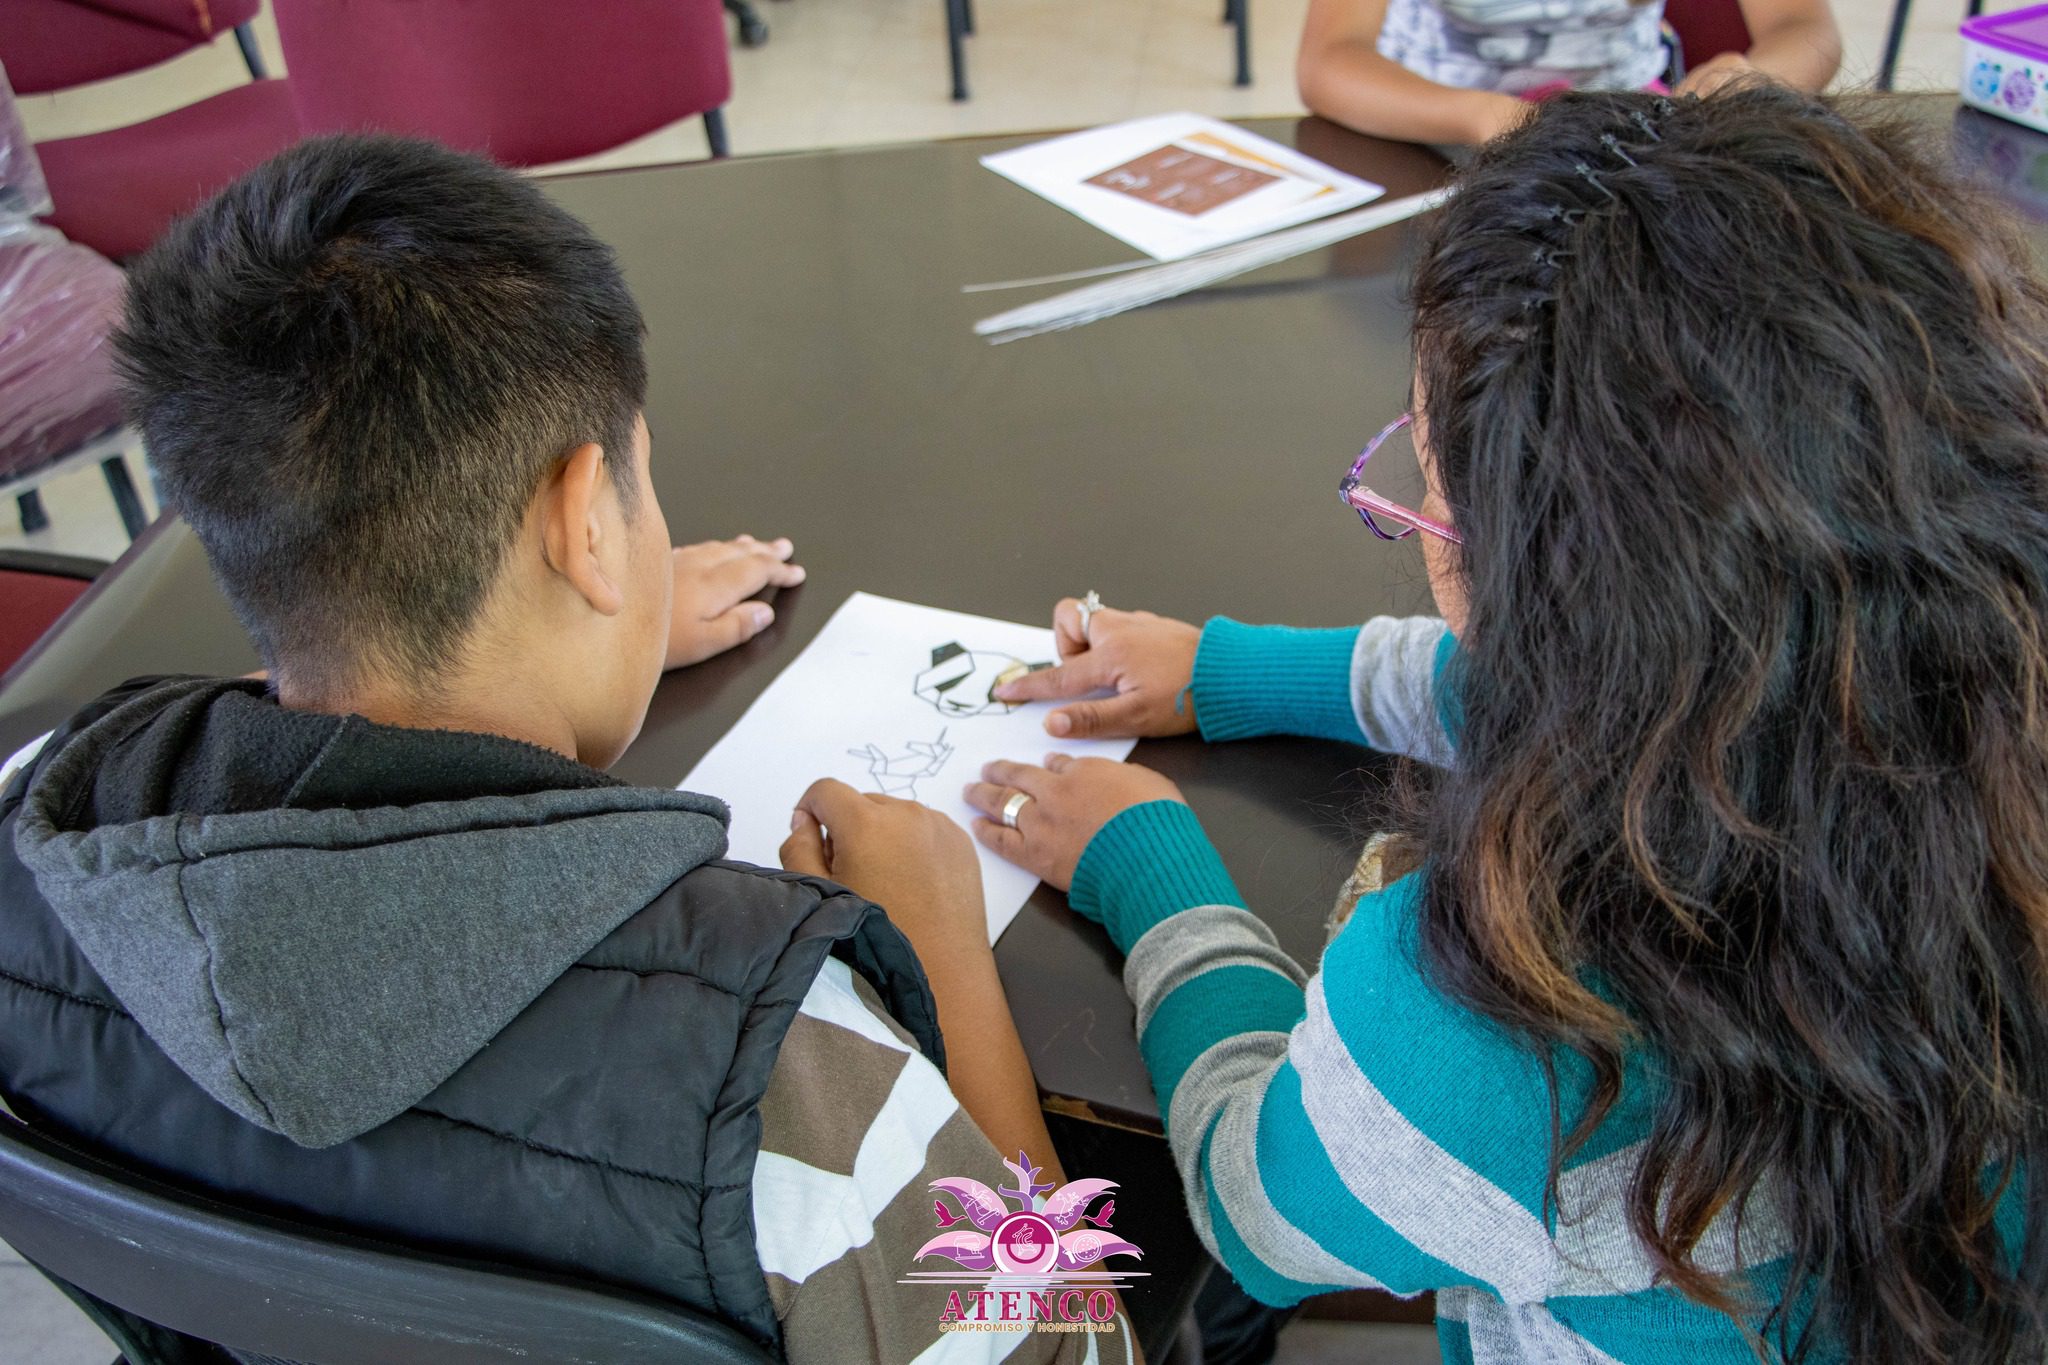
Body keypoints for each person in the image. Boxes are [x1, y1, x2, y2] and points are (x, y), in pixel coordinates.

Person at [908, 87, 2035, 1363]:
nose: (1411, 516)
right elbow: (1555, 683)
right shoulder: (1954, 700)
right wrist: (1230, 671)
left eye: (1429, 479)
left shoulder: (1478, 1030)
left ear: (1550, 584)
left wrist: (1154, 876)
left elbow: (1251, 1204)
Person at [0, 134, 1129, 1364]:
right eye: (636, 496)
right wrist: (944, 962)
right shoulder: (795, 1069)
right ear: (587, 521)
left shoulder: (38, 827)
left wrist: (577, 620)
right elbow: (1076, 1349)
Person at [1296, 0, 1839, 145]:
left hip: (1630, 126)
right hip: (1426, 125)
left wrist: (1747, 74)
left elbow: (1806, 28)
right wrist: (1483, 116)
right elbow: (1329, 62)